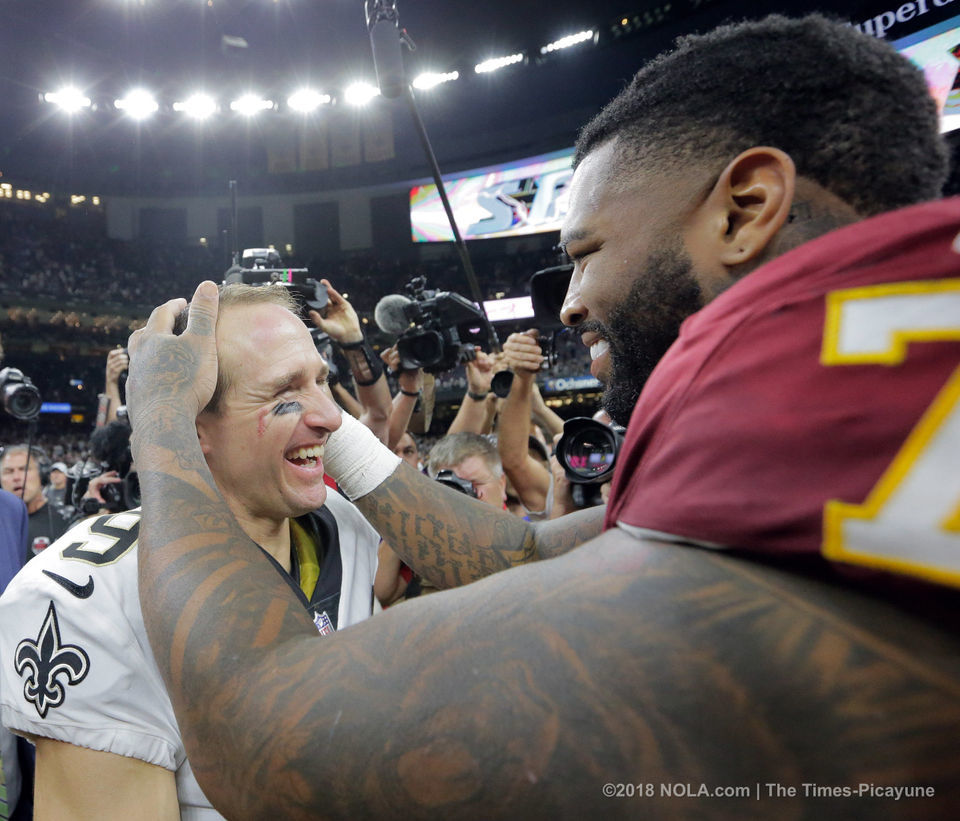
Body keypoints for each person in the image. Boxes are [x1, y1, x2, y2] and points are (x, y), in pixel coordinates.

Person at [125, 15, 960, 818]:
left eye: (586, 253)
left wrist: (160, 419)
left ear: (745, 208)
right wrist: (321, 408)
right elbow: (520, 554)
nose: (573, 305)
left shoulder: (836, 422)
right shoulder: (857, 376)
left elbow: (260, 729)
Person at [0, 284, 385, 819]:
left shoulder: (352, 527)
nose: (331, 417)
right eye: (284, 392)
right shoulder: (88, 595)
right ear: (194, 422)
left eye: (323, 381)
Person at [0, 445, 71, 560]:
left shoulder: (65, 520)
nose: (16, 477)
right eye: (8, 472)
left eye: (24, 469)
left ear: (42, 474)